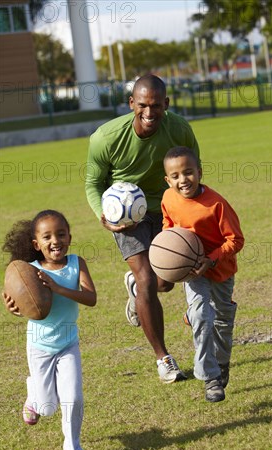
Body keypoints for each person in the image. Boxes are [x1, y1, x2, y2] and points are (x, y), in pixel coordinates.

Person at [85, 74, 200, 383]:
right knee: (148, 278)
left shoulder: (180, 130)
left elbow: (194, 172)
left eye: (157, 107)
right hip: (125, 215)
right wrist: (103, 216)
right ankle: (164, 358)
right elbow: (93, 184)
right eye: (143, 106)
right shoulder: (106, 137)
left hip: (166, 207)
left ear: (167, 104)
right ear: (131, 103)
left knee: (166, 281)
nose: (149, 114)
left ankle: (136, 289)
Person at [2, 210, 97, 450]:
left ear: (70, 236)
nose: (55, 240)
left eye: (61, 234)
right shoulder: (27, 271)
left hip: (68, 343)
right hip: (39, 346)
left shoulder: (77, 263)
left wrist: (58, 288)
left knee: (73, 397)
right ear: (37, 244)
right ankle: (34, 394)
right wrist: (13, 307)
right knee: (47, 408)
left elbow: (91, 298)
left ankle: (73, 448)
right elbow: (18, 303)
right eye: (47, 237)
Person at [162, 146, 245, 402]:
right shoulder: (168, 198)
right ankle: (210, 378)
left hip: (220, 270)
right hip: (192, 271)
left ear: (199, 172)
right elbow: (168, 229)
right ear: (167, 180)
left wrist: (211, 260)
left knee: (221, 321)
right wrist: (170, 256)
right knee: (201, 316)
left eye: (188, 173)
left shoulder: (216, 204)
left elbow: (236, 240)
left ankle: (222, 364)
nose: (182, 180)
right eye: (175, 176)